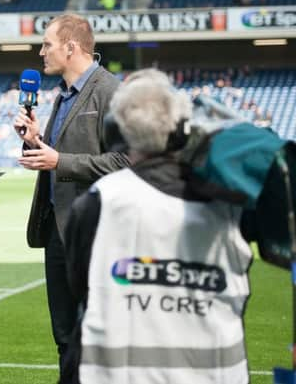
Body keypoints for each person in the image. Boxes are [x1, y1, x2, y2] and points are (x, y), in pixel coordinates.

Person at [63, 69, 252, 383]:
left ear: (116, 130)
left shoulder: (99, 200)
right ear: (180, 129)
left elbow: (81, 286)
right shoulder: (229, 200)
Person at [13, 13, 130, 378]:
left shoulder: (111, 91)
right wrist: (36, 142)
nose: (40, 52)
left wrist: (59, 160)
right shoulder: (63, 94)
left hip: (97, 233)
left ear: (71, 47)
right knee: (64, 335)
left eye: (46, 44)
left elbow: (127, 160)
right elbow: (64, 153)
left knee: (97, 335)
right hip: (58, 231)